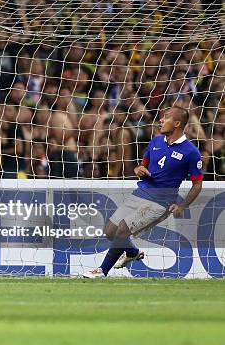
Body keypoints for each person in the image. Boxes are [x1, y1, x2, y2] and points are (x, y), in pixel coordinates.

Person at [83, 106, 203, 278]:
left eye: (166, 117)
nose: (161, 120)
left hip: (160, 202)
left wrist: (182, 206)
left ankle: (102, 270)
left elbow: (197, 184)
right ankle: (132, 253)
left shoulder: (191, 152)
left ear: (177, 123)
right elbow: (141, 165)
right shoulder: (156, 141)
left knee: (123, 230)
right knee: (110, 231)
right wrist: (139, 169)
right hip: (140, 194)